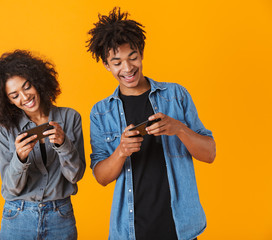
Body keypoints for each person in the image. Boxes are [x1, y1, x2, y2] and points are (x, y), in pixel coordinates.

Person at [86, 7, 216, 240]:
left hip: (181, 228)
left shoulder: (176, 95)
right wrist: (121, 151)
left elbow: (209, 153)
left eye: (132, 57)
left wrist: (179, 129)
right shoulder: (100, 112)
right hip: (131, 230)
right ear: (106, 65)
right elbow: (101, 177)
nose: (127, 68)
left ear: (142, 53)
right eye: (116, 62)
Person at [0, 49, 85, 240]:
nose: (25, 97)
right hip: (18, 216)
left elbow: (75, 175)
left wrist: (64, 145)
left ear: (38, 82)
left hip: (60, 216)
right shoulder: (5, 130)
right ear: (8, 101)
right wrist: (19, 159)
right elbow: (10, 189)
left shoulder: (70, 118)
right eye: (14, 95)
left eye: (27, 87)